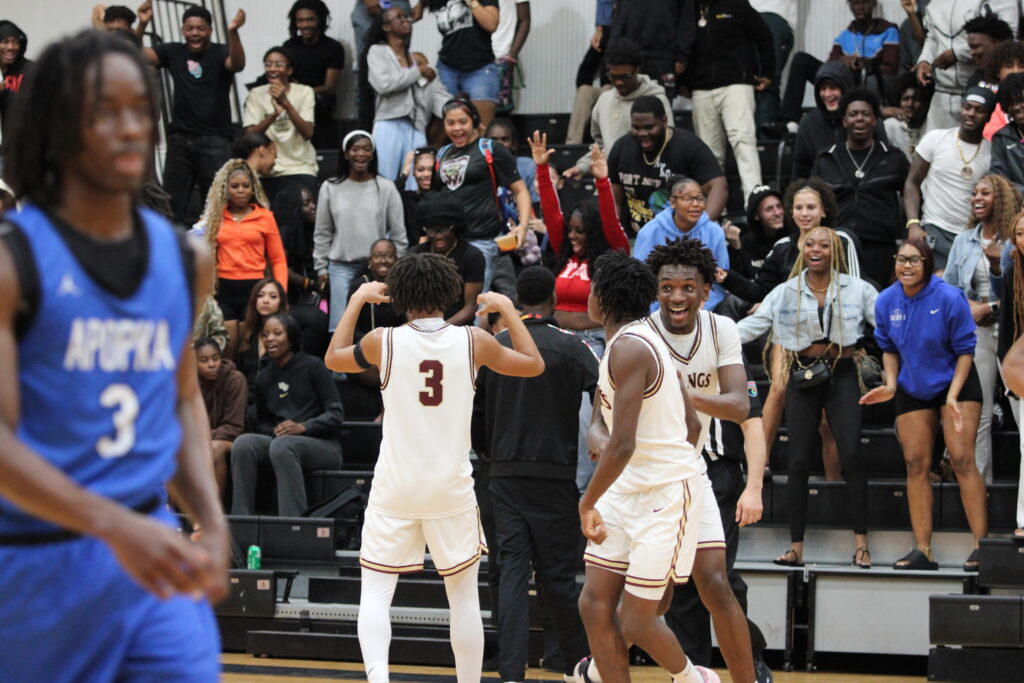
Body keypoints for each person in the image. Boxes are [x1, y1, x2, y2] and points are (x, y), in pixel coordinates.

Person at [0, 30, 227, 680]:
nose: (131, 128)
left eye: (141, 110)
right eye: (107, 111)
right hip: (36, 558)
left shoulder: (185, 259)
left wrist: (209, 519)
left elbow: (182, 396)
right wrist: (110, 526)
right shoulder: (13, 262)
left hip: (149, 544)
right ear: (58, 126)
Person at [325, 252, 545, 683]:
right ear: (448, 294)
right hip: (451, 487)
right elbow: (534, 363)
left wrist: (357, 300)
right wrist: (507, 311)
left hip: (396, 487)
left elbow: (333, 357)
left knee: (375, 594)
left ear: (400, 296)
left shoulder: (383, 340)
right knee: (462, 600)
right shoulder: (473, 341)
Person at [576, 250, 716, 683]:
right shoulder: (633, 340)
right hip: (629, 488)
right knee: (593, 603)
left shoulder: (632, 348)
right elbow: (691, 423)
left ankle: (695, 679)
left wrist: (587, 502)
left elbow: (623, 443)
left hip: (663, 493)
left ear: (602, 296)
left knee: (638, 620)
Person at [641, 238, 771, 683]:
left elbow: (743, 410)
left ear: (704, 291)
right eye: (667, 288)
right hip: (655, 474)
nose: (677, 297)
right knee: (676, 590)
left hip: (714, 471)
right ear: (656, 289)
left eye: (687, 288)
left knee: (718, 582)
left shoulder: (722, 331)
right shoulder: (640, 334)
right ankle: (694, 672)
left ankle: (748, 664)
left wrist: (754, 486)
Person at [471, 266, 595, 683]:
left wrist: (492, 456)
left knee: (510, 572)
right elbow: (607, 392)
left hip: (503, 475)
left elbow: (477, 414)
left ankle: (511, 673)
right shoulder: (572, 347)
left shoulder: (495, 346)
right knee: (559, 577)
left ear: (517, 301)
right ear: (555, 301)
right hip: (557, 477)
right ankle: (575, 666)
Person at [738, 227, 877, 567]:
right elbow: (753, 326)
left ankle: (861, 543)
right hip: (804, 375)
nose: (816, 249)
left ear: (836, 251)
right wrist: (705, 334)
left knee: (852, 454)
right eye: (810, 244)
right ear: (801, 247)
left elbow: (888, 326)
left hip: (843, 373)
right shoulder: (786, 291)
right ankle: (796, 547)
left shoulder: (858, 289)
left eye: (824, 245)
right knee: (798, 461)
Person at [862, 239, 988, 571]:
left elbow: (965, 350)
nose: (906, 266)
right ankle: (923, 550)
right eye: (901, 259)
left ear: (927, 263)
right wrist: (890, 383)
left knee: (961, 459)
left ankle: (981, 546)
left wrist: (951, 396)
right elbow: (888, 347)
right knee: (916, 463)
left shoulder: (947, 296)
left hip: (955, 381)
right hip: (913, 384)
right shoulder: (887, 300)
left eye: (914, 260)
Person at [943, 174, 1020, 483]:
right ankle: (981, 488)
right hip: (977, 335)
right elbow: (950, 288)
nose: (976, 198)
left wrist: (990, 306)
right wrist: (968, 311)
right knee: (981, 413)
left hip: (1013, 333)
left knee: (1021, 413)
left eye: (985, 193)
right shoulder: (964, 240)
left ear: (999, 198)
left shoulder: (1017, 238)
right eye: (974, 193)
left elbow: (1018, 291)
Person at [141, 6, 247, 224]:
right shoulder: (173, 51)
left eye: (200, 28)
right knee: (170, 204)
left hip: (215, 140)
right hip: (180, 141)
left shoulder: (221, 52)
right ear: (182, 30)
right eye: (189, 28)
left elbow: (237, 64)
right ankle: (174, 253)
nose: (195, 33)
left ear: (209, 30)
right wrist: (142, 25)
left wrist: (234, 31)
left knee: (216, 205)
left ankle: (215, 255)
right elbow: (135, 53)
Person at [231, 314, 343, 517]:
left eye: (277, 333)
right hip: (281, 443)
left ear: (291, 338)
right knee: (243, 444)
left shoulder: (313, 366)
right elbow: (262, 421)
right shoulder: (264, 376)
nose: (269, 339)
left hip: (323, 445)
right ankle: (241, 519)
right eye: (265, 334)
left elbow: (336, 414)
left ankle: (293, 524)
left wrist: (304, 427)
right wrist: (276, 430)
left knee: (283, 445)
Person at [812, 87, 910, 288]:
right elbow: (813, 203)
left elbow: (913, 198)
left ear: (875, 120)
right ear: (844, 120)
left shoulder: (893, 159)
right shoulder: (826, 160)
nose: (859, 119)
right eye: (853, 114)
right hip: (838, 249)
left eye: (866, 114)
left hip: (881, 250)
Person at [434, 97, 531, 292]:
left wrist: (523, 226)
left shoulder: (489, 149)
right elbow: (437, 198)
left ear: (474, 121)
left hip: (481, 240)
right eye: (450, 123)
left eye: (463, 122)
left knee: (475, 307)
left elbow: (520, 190)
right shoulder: (442, 153)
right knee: (448, 302)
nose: (457, 128)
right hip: (448, 242)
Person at [314, 131, 407, 330]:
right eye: (355, 149)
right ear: (346, 154)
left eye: (367, 149)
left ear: (373, 154)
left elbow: (399, 234)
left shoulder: (386, 187)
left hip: (379, 268)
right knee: (341, 327)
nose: (361, 154)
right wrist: (321, 267)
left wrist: (397, 267)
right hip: (341, 267)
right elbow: (322, 232)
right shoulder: (329, 188)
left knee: (376, 326)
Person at [721, 178, 863, 305]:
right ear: (792, 213)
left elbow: (855, 290)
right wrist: (726, 276)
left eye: (811, 207)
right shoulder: (782, 247)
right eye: (798, 208)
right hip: (793, 328)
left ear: (824, 211)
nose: (804, 214)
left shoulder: (841, 239)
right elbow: (761, 291)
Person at [685, 0, 774, 201]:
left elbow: (765, 36)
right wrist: (686, 83)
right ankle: (715, 216)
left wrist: (768, 73)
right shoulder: (687, 9)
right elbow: (683, 46)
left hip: (736, 85)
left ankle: (755, 206)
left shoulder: (736, 4)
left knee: (743, 142)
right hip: (701, 90)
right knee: (709, 155)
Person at [904, 87, 995, 271]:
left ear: (988, 116)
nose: (971, 114)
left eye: (979, 110)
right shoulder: (935, 139)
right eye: (967, 107)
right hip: (934, 230)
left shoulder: (991, 153)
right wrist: (913, 223)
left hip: (971, 235)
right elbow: (911, 183)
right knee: (935, 290)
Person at [200, 159, 288, 347]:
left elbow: (278, 259)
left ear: (253, 188)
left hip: (254, 288)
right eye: (235, 186)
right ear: (226, 189)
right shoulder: (215, 218)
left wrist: (280, 293)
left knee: (249, 344)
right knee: (228, 345)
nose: (240, 190)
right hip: (224, 288)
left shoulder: (265, 217)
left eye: (245, 186)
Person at [607, 96, 728, 231]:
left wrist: (699, 228)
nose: (642, 133)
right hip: (638, 236)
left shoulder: (688, 146)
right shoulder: (621, 148)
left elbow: (719, 187)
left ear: (664, 120)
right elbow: (614, 203)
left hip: (682, 236)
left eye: (649, 127)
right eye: (636, 128)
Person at [563, 39, 673, 181]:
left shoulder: (657, 100)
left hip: (646, 184)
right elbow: (602, 148)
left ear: (637, 70)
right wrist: (582, 167)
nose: (619, 83)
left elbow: (668, 143)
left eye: (625, 77)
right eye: (613, 77)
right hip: (609, 185)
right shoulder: (604, 100)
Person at [360, 6, 448, 180]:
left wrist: (456, 108)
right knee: (385, 180)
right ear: (386, 27)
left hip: (417, 126)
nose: (406, 19)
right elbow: (384, 84)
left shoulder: (415, 60)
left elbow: (437, 93)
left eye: (406, 16)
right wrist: (418, 72)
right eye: (398, 17)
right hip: (389, 123)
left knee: (417, 184)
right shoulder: (377, 52)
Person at [915, 0, 1018, 132]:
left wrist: (958, 53)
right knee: (937, 146)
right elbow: (932, 36)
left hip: (980, 87)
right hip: (942, 92)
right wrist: (925, 61)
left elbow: (1006, 34)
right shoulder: (935, 3)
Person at [634, 177, 731, 311]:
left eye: (700, 198)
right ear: (673, 202)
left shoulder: (715, 232)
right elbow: (642, 279)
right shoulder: (650, 232)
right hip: (659, 307)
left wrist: (698, 310)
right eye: (687, 198)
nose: (696, 204)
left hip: (705, 306)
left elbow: (719, 279)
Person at [243, 46, 318, 203]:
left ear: (289, 70)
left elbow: (308, 132)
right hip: (267, 170)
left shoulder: (304, 92)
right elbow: (250, 136)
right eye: (268, 64)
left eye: (279, 64)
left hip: (300, 167)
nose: (272, 69)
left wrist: (286, 103)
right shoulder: (256, 94)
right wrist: (274, 116)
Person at [989, 211, 1024, 539]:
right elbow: (1006, 337)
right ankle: (1023, 520)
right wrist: (1011, 381)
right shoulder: (1013, 273)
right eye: (1021, 233)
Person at [271, 184, 330, 358]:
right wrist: (309, 284)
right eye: (306, 203)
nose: (313, 207)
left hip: (306, 299)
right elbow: (281, 268)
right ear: (294, 208)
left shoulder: (309, 231)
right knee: (317, 320)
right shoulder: (285, 233)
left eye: (313, 202)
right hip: (287, 301)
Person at [408, 193, 485, 325]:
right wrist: (419, 328)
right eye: (431, 231)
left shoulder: (472, 256)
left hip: (458, 330)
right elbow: (409, 304)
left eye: (443, 229)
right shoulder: (414, 255)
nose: (438, 236)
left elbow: (471, 306)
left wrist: (442, 329)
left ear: (454, 227)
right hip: (421, 329)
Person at [426, 0, 501, 130]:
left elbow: (491, 24)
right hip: (447, 67)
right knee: (442, 125)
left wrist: (471, 2)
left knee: (482, 128)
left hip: (480, 68)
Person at [287, 0, 347, 149]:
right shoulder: (289, 46)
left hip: (320, 107)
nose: (304, 25)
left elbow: (329, 87)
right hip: (292, 106)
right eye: (300, 20)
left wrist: (303, 92)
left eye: (310, 20)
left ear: (320, 20)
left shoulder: (333, 48)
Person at [196, 337, 247, 499]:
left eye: (215, 358)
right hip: (198, 439)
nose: (211, 364)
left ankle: (215, 512)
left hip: (231, 440)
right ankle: (173, 516)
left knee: (214, 448)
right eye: (204, 360)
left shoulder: (235, 379)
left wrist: (203, 438)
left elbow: (233, 426)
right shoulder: (189, 384)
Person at [604, 0, 693, 91]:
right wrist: (612, 50)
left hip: (664, 55)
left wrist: (682, 55)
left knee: (661, 100)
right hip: (629, 55)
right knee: (628, 101)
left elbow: (686, 17)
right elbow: (619, 15)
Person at [234, 277, 289, 390]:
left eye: (273, 296)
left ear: (281, 302)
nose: (265, 300)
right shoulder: (247, 334)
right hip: (248, 397)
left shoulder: (288, 335)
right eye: (260, 295)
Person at [751, 0, 797, 128]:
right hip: (772, 14)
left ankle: (756, 141)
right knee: (766, 84)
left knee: (754, 84)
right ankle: (765, 142)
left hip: (755, 14)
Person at [492, 0, 531, 113]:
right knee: (470, 115)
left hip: (501, 56)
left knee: (500, 115)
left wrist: (511, 56)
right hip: (474, 57)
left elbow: (525, 20)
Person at [883, 70, 930, 162]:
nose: (910, 104)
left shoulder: (931, 124)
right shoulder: (890, 125)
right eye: (905, 99)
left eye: (916, 99)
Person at [0, 21, 33, 150]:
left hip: (19, 152)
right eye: (5, 41)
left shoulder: (30, 70)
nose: (11, 47)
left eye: (15, 42)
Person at [989, 72, 1024, 191]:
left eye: (1021, 100)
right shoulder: (1001, 138)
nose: (1016, 107)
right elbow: (998, 179)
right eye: (1011, 103)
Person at [397, 147, 437, 245]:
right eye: (420, 169)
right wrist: (405, 171)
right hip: (411, 254)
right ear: (414, 172)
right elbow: (393, 194)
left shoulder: (444, 198)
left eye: (431, 170)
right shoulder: (408, 198)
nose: (426, 174)